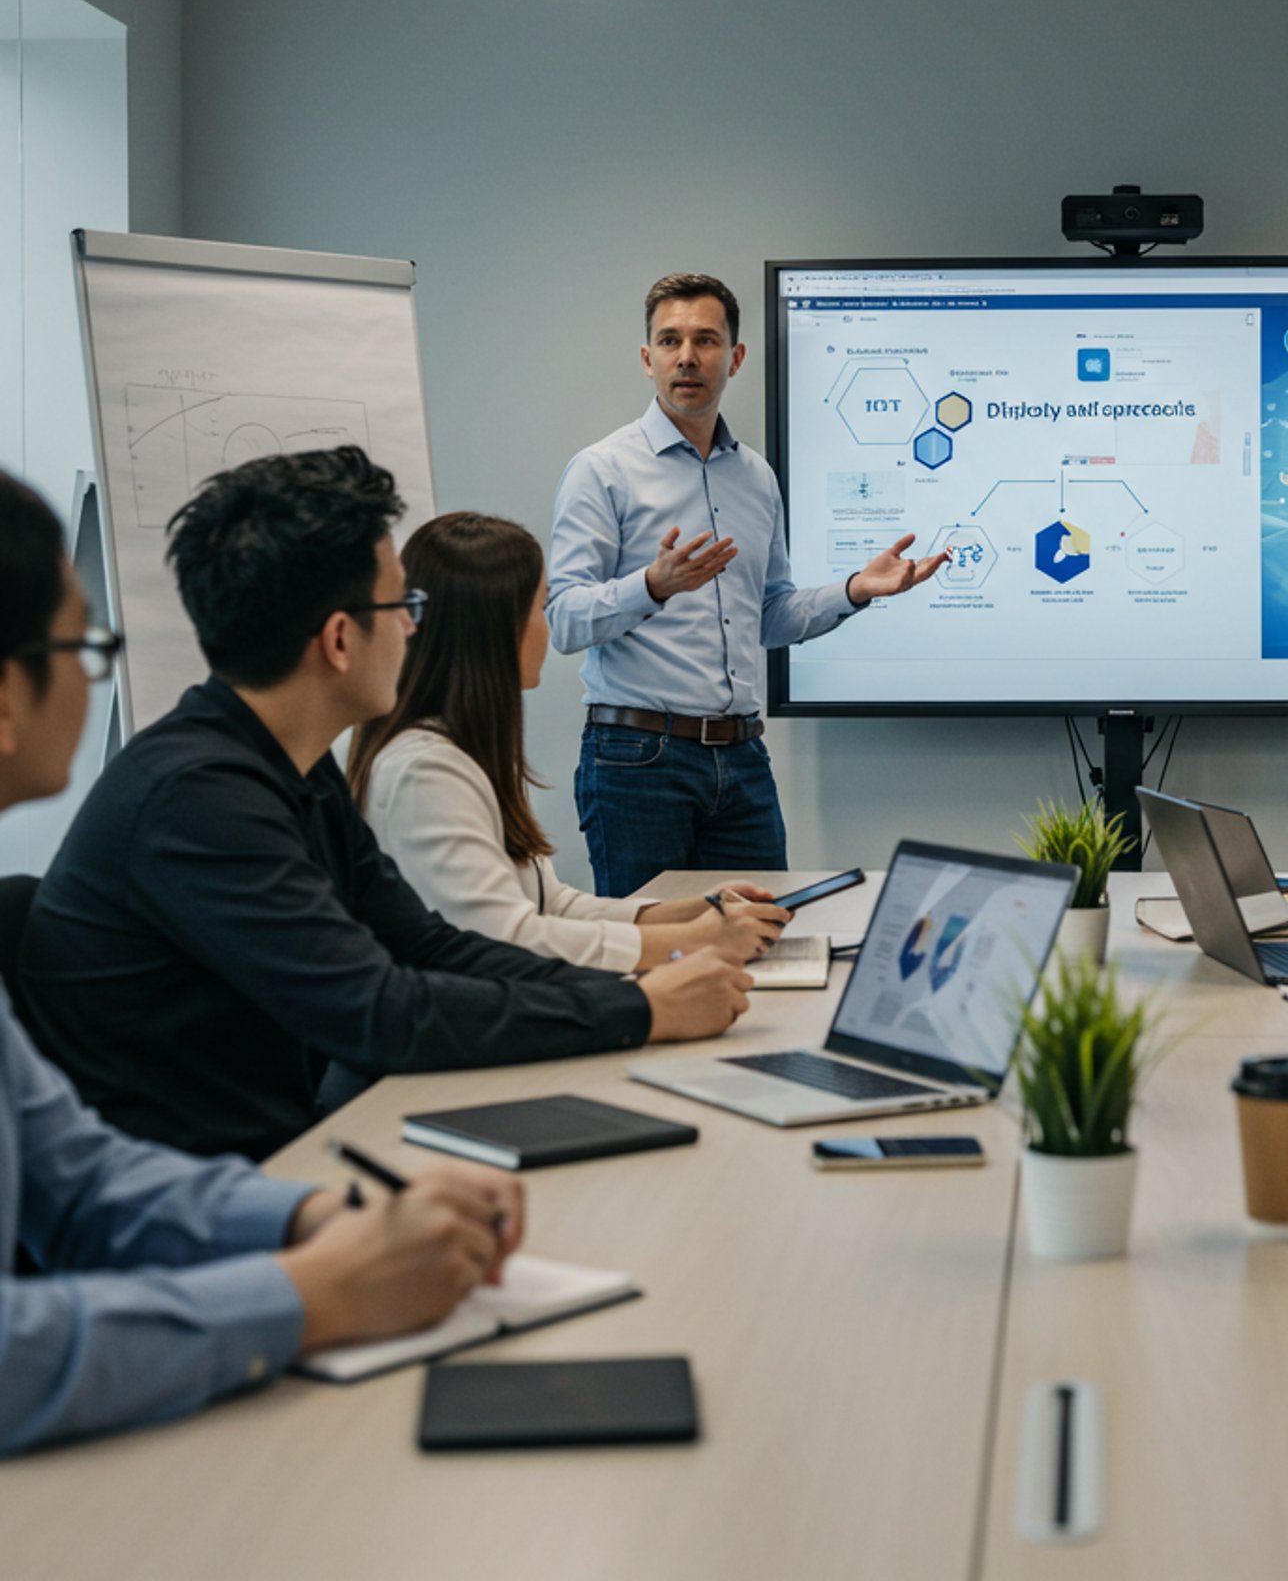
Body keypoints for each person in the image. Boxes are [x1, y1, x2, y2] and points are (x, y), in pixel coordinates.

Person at [18, 447, 751, 1163]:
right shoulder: (199, 800)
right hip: (213, 1180)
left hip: (272, 1152)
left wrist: (647, 990)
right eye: (404, 605)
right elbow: (379, 1011)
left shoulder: (291, 768)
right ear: (340, 639)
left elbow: (431, 945)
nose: (412, 626)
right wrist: (641, 1007)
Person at [0, 467, 526, 1455]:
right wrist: (312, 1291)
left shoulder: (296, 772)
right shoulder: (193, 793)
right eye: (85, 647)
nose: (95, 678)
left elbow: (81, 1183)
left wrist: (317, 1218)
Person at [548, 272, 948, 896]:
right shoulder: (603, 471)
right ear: (648, 358)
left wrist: (854, 590)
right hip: (637, 759)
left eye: (705, 340)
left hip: (741, 759)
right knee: (652, 945)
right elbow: (565, 620)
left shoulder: (757, 478)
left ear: (734, 358)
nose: (687, 356)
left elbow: (770, 616)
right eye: (670, 340)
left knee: (766, 937)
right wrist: (652, 585)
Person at [351, 511, 793, 971]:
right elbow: (502, 940)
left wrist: (695, 911)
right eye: (541, 606)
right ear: (497, 627)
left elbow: (551, 904)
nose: (547, 626)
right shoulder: (425, 772)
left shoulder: (462, 753)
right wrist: (691, 942)